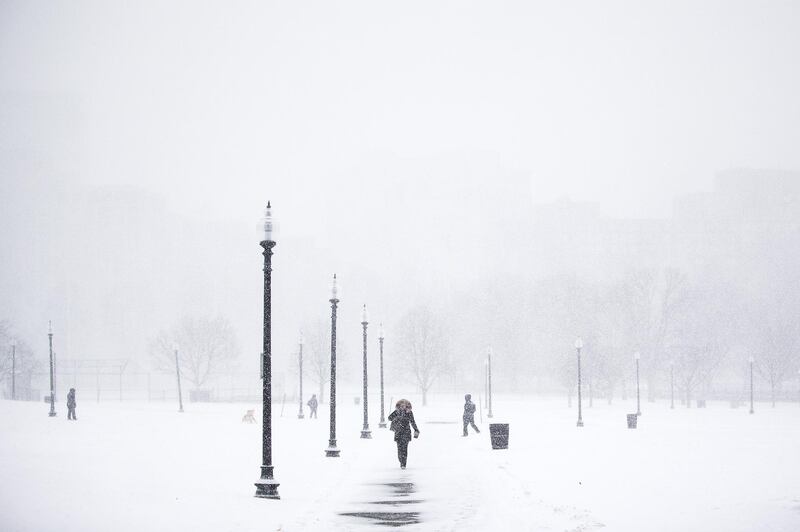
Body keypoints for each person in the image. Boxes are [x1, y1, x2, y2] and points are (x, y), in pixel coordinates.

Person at [388, 399, 419, 469]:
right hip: (398, 433)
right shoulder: (396, 412)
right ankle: (401, 460)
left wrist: (416, 429)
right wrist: (396, 417)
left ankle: (403, 464)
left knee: (405, 449)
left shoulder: (409, 413)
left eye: (404, 405)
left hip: (406, 432)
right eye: (401, 405)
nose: (403, 406)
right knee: (399, 449)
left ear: (407, 406)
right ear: (399, 406)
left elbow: (412, 422)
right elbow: (389, 418)